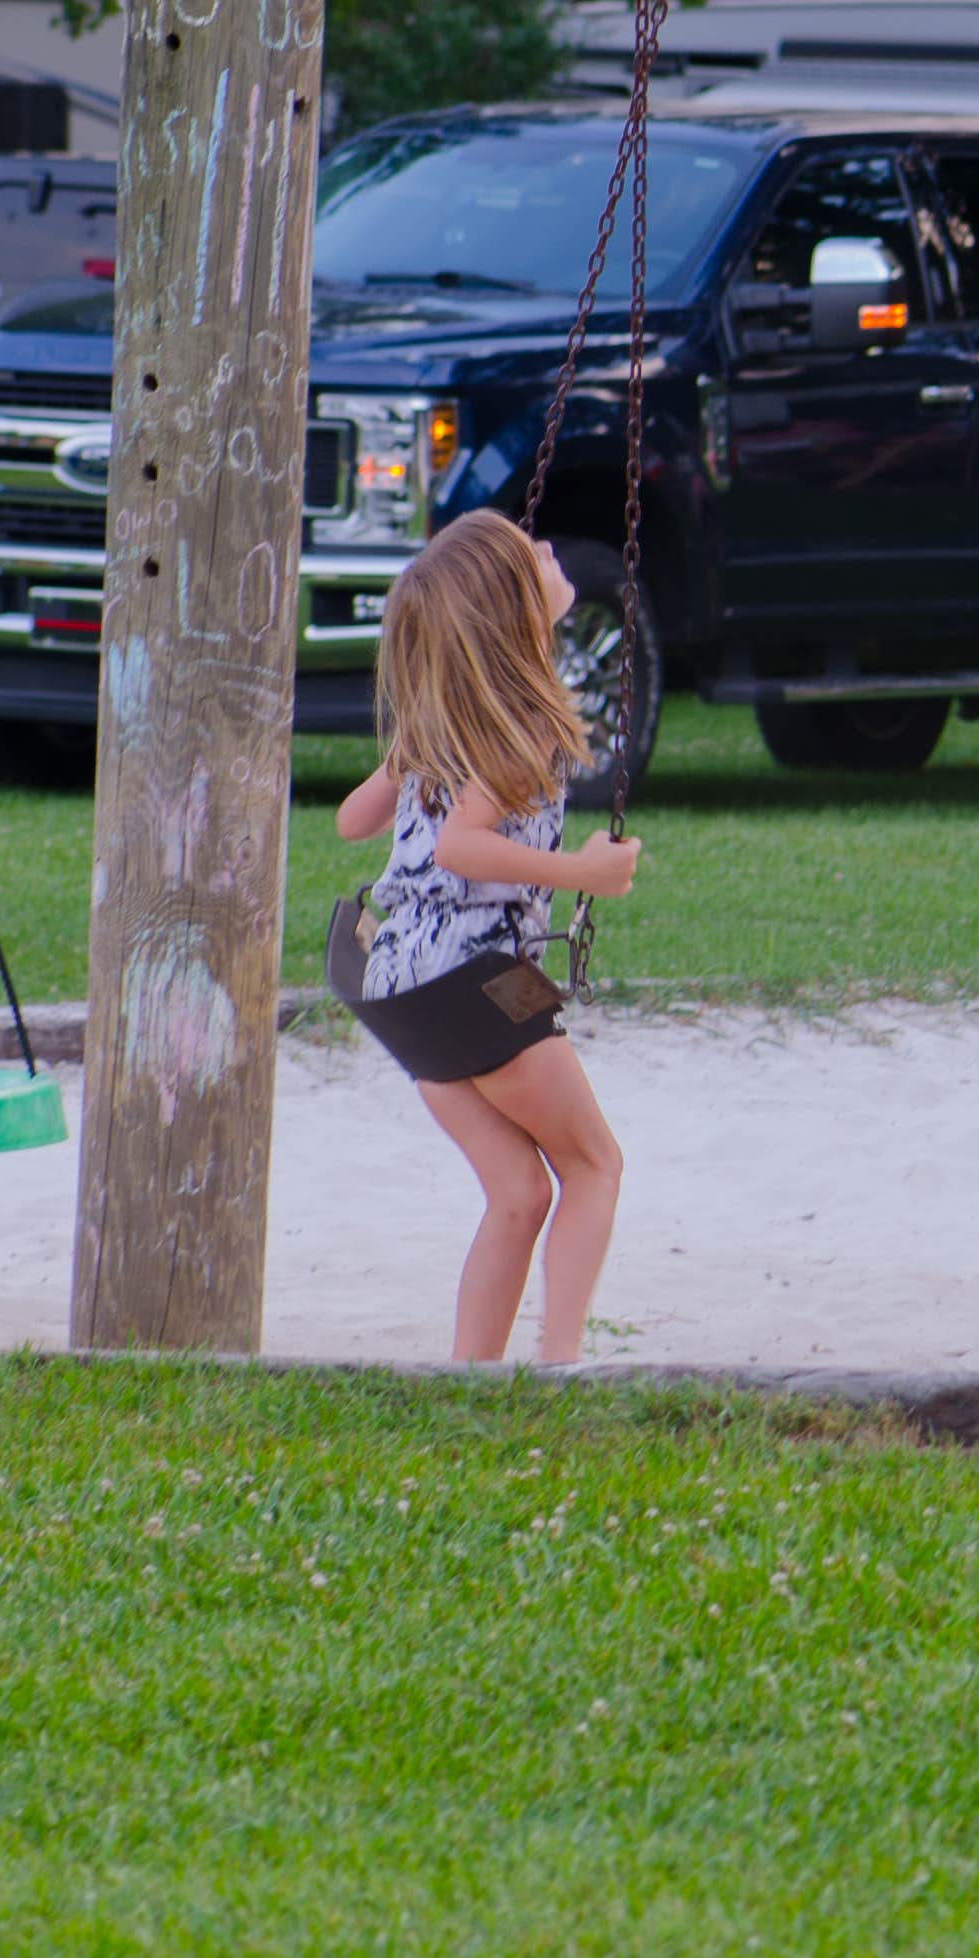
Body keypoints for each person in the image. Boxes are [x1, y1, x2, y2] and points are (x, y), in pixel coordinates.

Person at [325, 511, 644, 1368]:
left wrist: (407, 756)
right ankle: (562, 1362)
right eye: (531, 554)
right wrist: (585, 872)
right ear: (513, 610)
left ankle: (471, 1378)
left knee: (515, 1192)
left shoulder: (439, 728)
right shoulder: (524, 727)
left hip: (393, 985)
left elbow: (355, 819)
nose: (549, 550)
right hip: (483, 975)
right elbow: (463, 845)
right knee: (595, 1164)